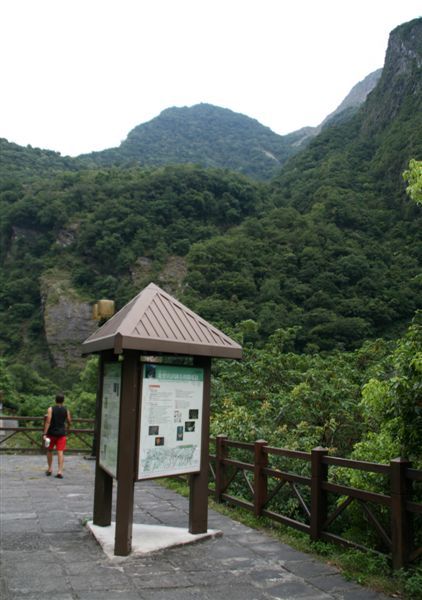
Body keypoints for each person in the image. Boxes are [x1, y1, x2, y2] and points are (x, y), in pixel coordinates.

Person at [42, 394, 71, 479]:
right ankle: (60, 471)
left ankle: (50, 469)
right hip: (62, 434)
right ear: (63, 401)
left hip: (51, 434)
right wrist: (68, 428)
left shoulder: (50, 409)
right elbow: (69, 421)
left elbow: (48, 421)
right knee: (60, 452)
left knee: (50, 451)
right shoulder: (66, 410)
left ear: (55, 400)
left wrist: (44, 433)